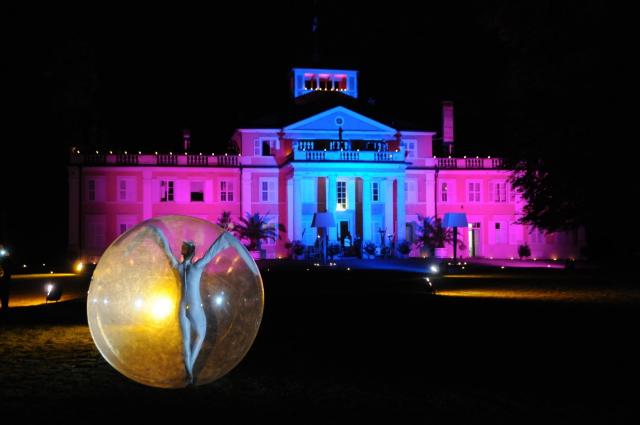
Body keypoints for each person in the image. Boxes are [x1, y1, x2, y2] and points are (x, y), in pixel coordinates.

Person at [0, 246, 13, 312]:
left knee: (5, 292)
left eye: (1, 248)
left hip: (5, 278)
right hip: (2, 278)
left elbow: (10, 265)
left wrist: (8, 257)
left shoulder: (6, 257)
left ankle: (5, 306)